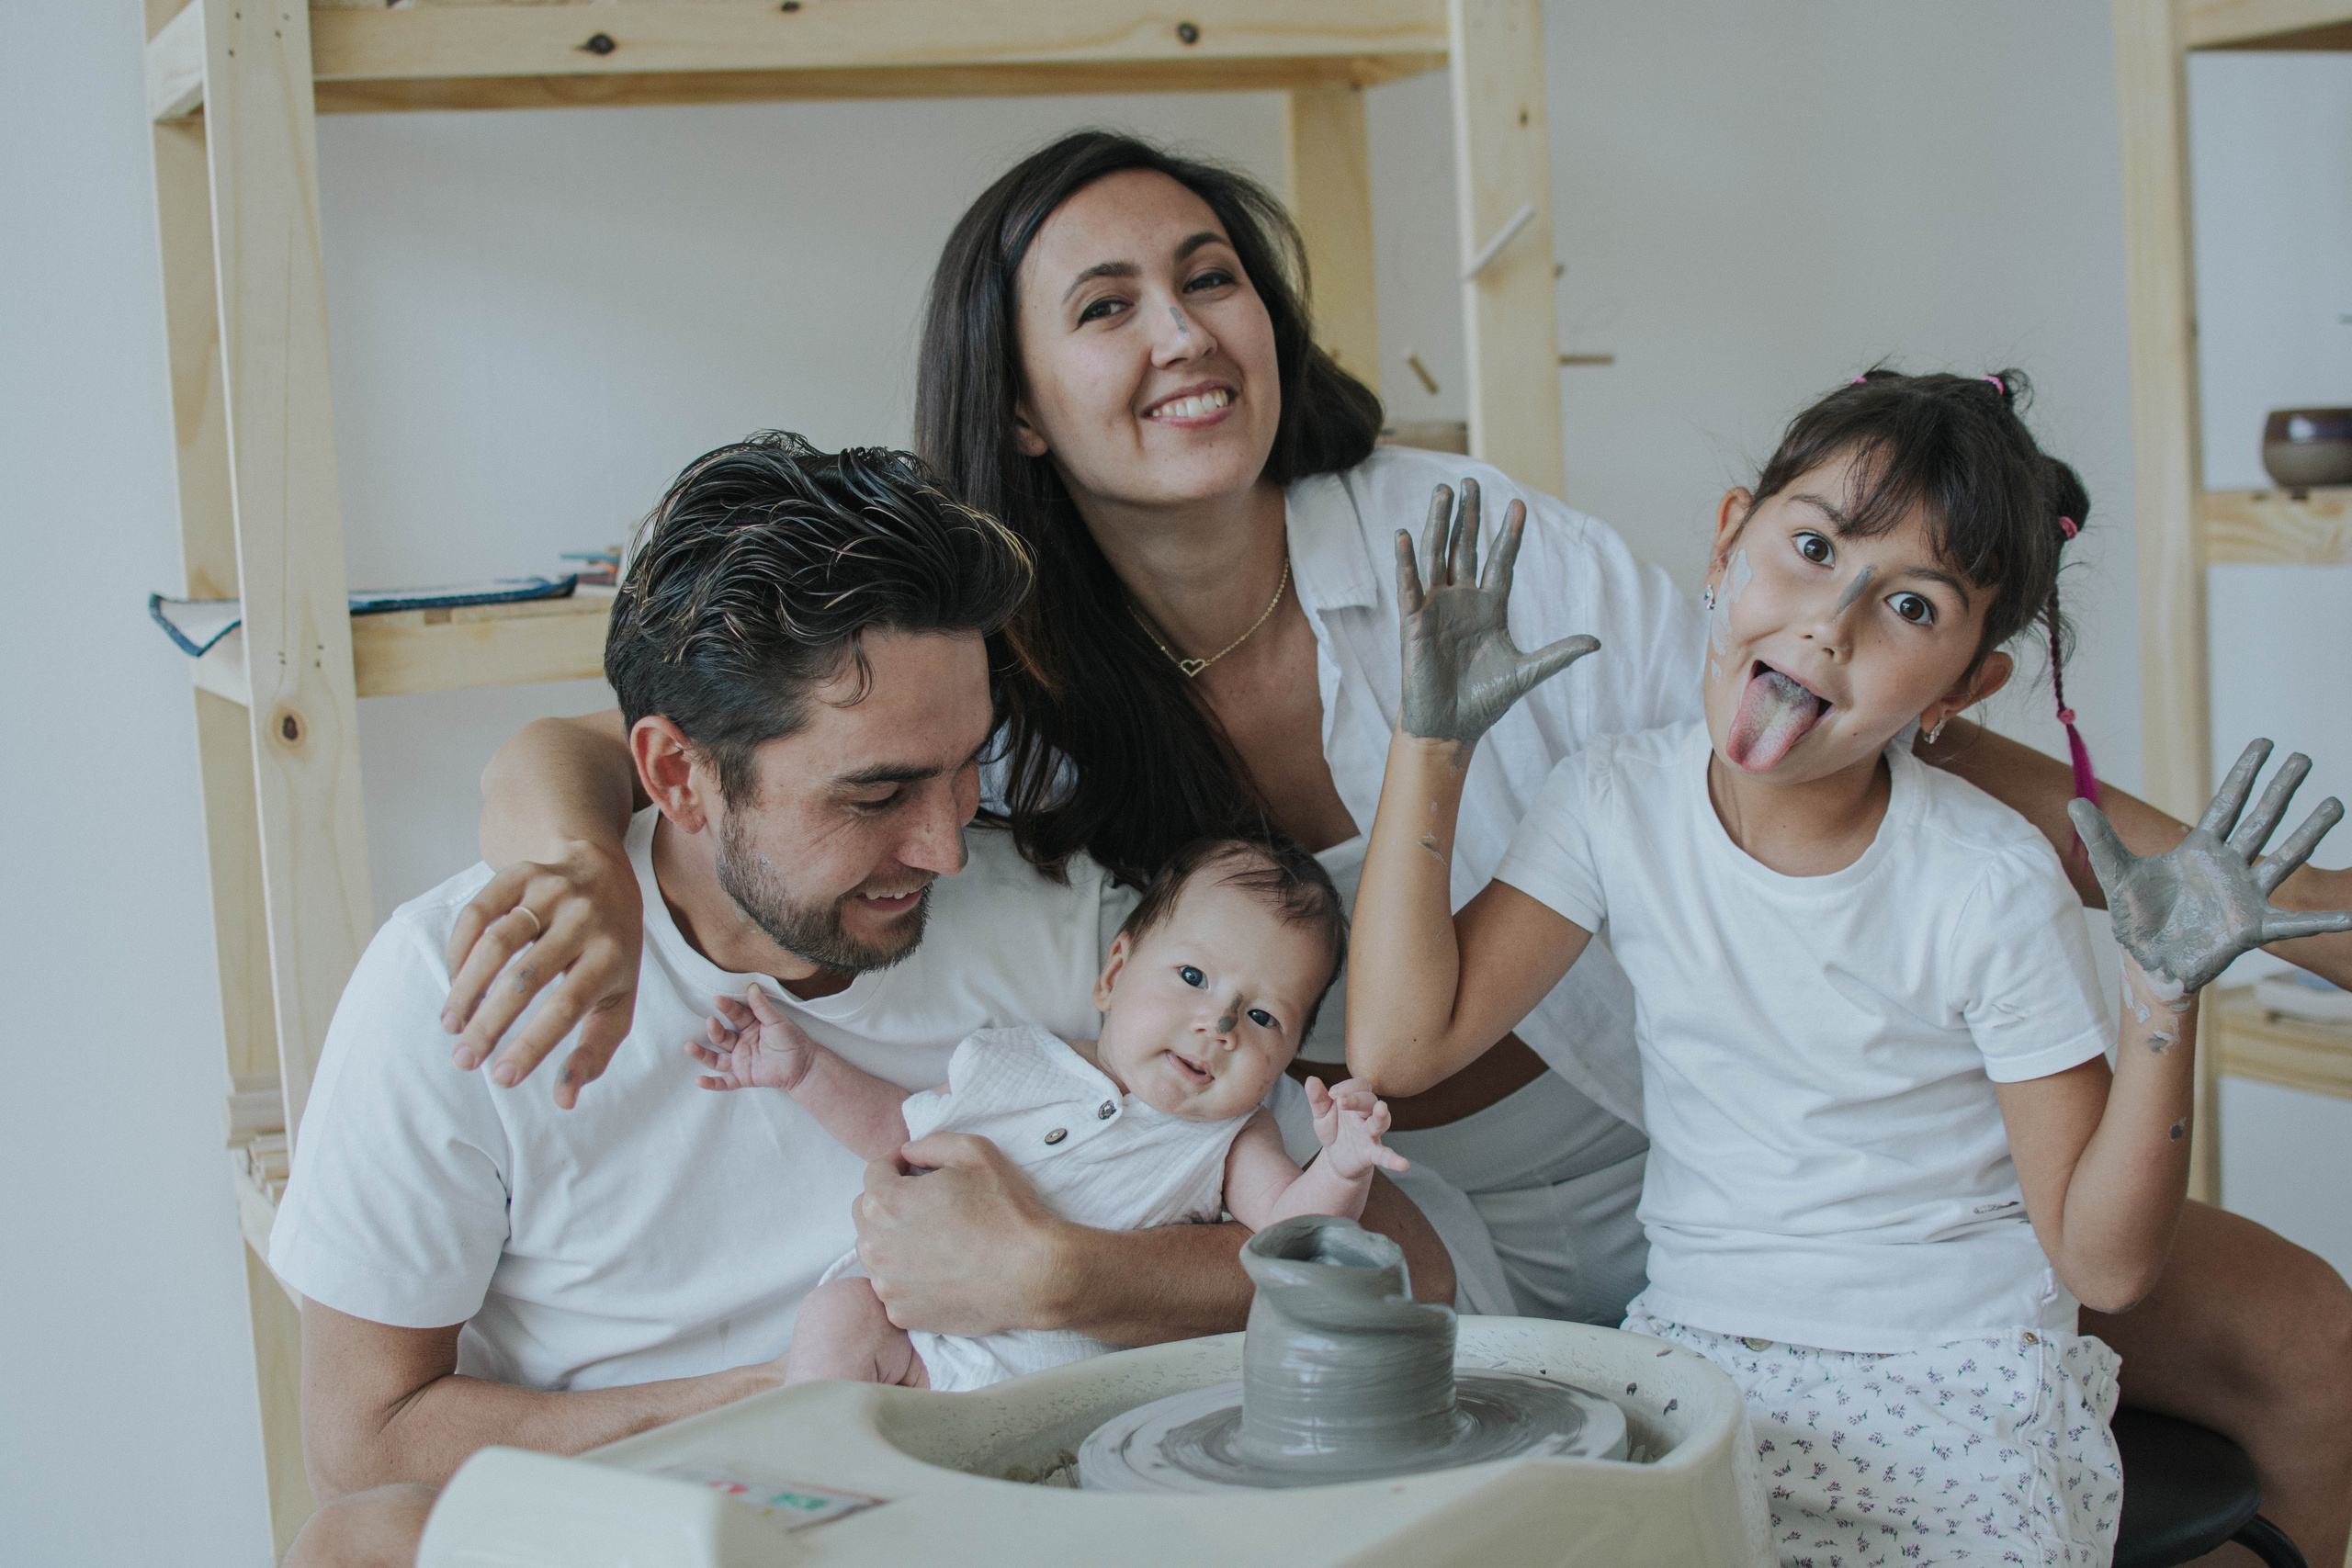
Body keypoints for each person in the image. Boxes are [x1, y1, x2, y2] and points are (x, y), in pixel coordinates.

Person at [456, 132, 2352, 1558]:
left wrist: (2249, 904)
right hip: (1398, 1229)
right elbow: (602, 741)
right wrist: (556, 862)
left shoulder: (1458, 536)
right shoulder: (991, 681)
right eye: (1105, 307)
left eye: (1211, 278)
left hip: (1776, 1176)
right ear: (1017, 408)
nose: (1186, 332)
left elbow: (1833, 724)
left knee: (2302, 1339)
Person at [275, 433, 1453, 1564]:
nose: (945, 848)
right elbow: (368, 1439)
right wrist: (824, 1392)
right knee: (359, 1548)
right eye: (876, 793)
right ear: (678, 775)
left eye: (966, 768)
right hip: (658, 1515)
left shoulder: (1075, 932)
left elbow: (1403, 1267)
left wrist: (1059, 1277)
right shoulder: (459, 984)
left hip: (990, 1509)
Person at [1347, 370, 2352, 1564]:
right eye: (1813, 545)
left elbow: (2106, 1261)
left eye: (1913, 608)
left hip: (1951, 1392)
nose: (1832, 621)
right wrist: (1432, 740)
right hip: (1699, 1365)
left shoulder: (1985, 879)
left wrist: (2160, 999)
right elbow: (1403, 1046)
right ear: (1728, 538)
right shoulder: (1611, 799)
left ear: (1964, 690)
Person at [699, 834, 1409, 1391]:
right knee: (838, 1313)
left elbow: (1288, 1236)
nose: (1217, 1025)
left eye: (1261, 1016)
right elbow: (904, 1138)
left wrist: (1344, 1164)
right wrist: (808, 1070)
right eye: (1192, 977)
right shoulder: (1016, 1061)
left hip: (1068, 1382)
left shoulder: (1231, 1139)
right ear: (1112, 974)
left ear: (1285, 1060)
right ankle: (808, 1473)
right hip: (918, 1345)